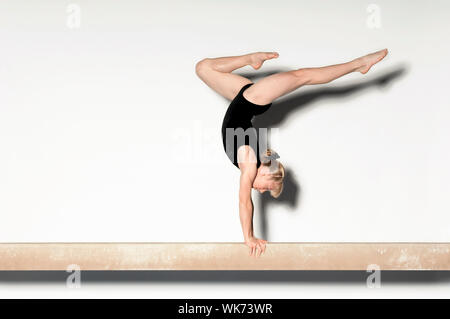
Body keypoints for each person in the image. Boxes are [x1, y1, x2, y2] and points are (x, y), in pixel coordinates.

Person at [195, 49, 388, 257]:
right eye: (267, 189)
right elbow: (245, 201)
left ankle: (251, 60)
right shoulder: (250, 163)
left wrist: (248, 237)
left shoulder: (248, 163)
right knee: (303, 76)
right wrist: (249, 236)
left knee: (202, 68)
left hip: (241, 100)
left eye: (264, 192)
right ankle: (358, 64)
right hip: (251, 99)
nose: (260, 192)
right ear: (266, 174)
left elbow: (244, 199)